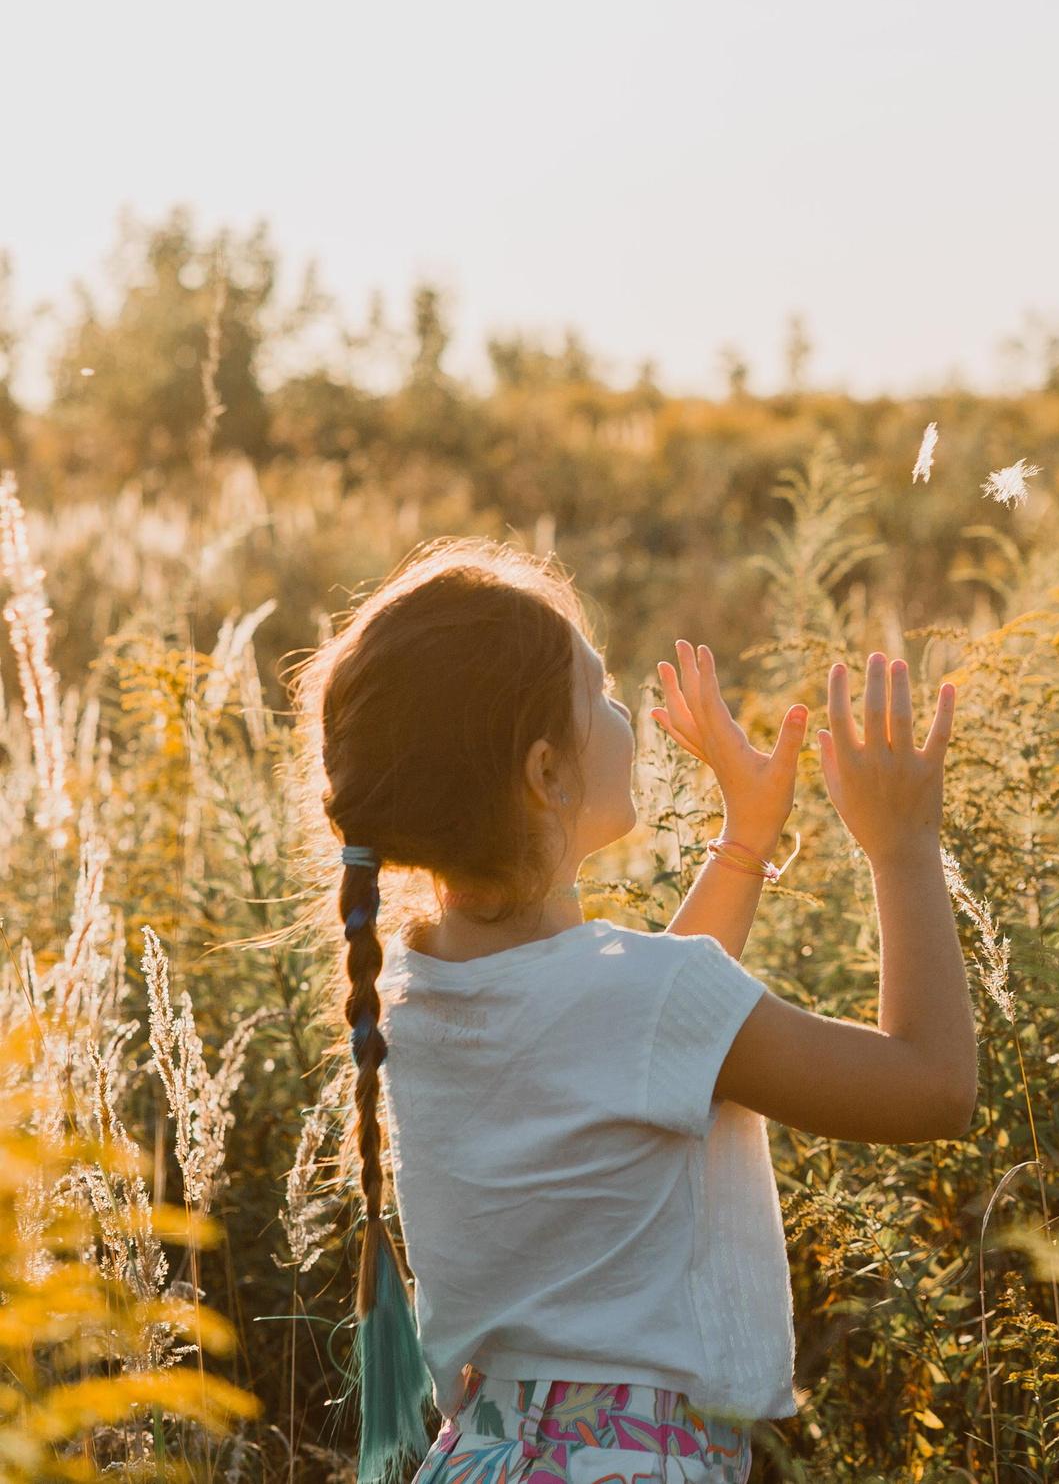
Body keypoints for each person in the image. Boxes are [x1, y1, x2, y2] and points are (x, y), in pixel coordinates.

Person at [300, 540, 977, 1483]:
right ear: (547, 772)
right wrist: (903, 845)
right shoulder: (636, 1001)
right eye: (604, 692)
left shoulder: (409, 995)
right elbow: (932, 1085)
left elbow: (638, 1037)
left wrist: (743, 843)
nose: (627, 715)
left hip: (483, 1457)